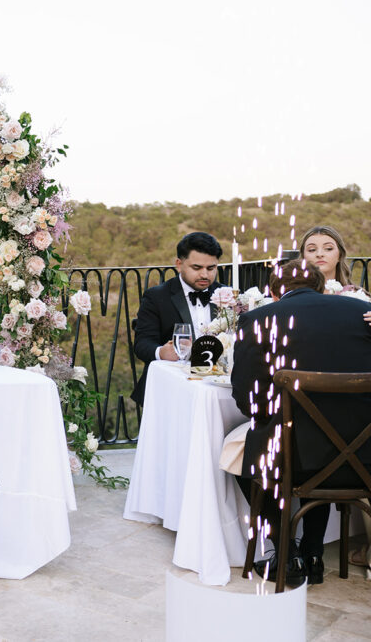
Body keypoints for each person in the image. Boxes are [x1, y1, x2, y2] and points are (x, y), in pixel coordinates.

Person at [227, 260, 371, 586]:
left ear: (275, 293)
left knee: (240, 449)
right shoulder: (361, 314)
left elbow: (248, 403)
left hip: (294, 461)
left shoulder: (258, 319)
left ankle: (285, 552)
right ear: (322, 287)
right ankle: (313, 553)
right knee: (317, 443)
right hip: (362, 456)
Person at [131, 232, 224, 405]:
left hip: (218, 386)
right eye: (197, 268)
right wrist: (161, 352)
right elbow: (142, 344)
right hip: (171, 389)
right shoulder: (156, 296)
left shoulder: (226, 295)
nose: (205, 275)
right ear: (179, 265)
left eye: (211, 268)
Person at [300, 224, 371, 326]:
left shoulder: (358, 297)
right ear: (303, 257)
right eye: (312, 250)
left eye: (328, 248)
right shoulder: (292, 296)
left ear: (340, 255)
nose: (319, 254)